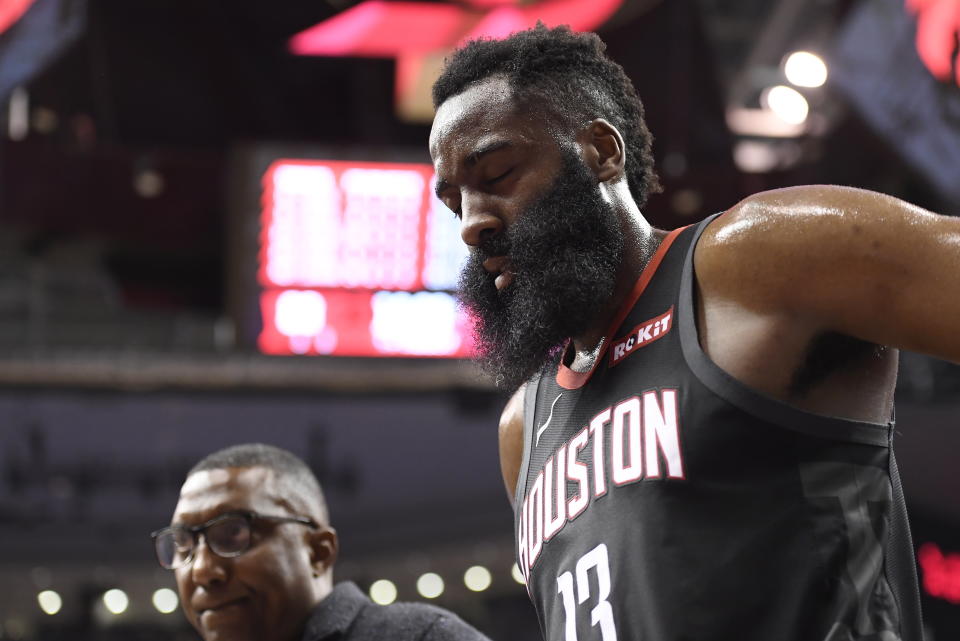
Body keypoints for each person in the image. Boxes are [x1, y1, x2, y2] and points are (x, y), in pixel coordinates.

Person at [428, 23, 960, 641]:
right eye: (455, 203)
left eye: (496, 175)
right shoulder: (524, 429)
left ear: (602, 151)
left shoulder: (755, 261)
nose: (471, 225)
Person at [152, 443, 491, 641]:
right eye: (184, 545)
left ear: (318, 551)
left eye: (234, 534)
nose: (202, 570)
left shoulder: (420, 637)